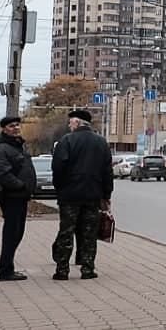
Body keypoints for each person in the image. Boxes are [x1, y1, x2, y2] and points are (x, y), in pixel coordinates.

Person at [50, 109, 112, 280]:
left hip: (69, 197)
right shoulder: (101, 143)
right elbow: (107, 172)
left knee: (66, 232)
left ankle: (62, 270)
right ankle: (87, 269)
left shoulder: (66, 141)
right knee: (89, 234)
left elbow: (58, 169)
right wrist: (106, 195)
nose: (69, 126)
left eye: (70, 123)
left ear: (77, 123)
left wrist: (60, 189)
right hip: (92, 196)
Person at [0, 115, 35, 281]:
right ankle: (5, 270)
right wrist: (21, 185)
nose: (16, 128)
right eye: (11, 126)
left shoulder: (18, 146)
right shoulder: (3, 148)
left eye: (17, 125)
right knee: (12, 233)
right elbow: (3, 173)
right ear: (4, 129)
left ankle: (7, 267)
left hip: (20, 197)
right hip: (11, 197)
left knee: (18, 232)